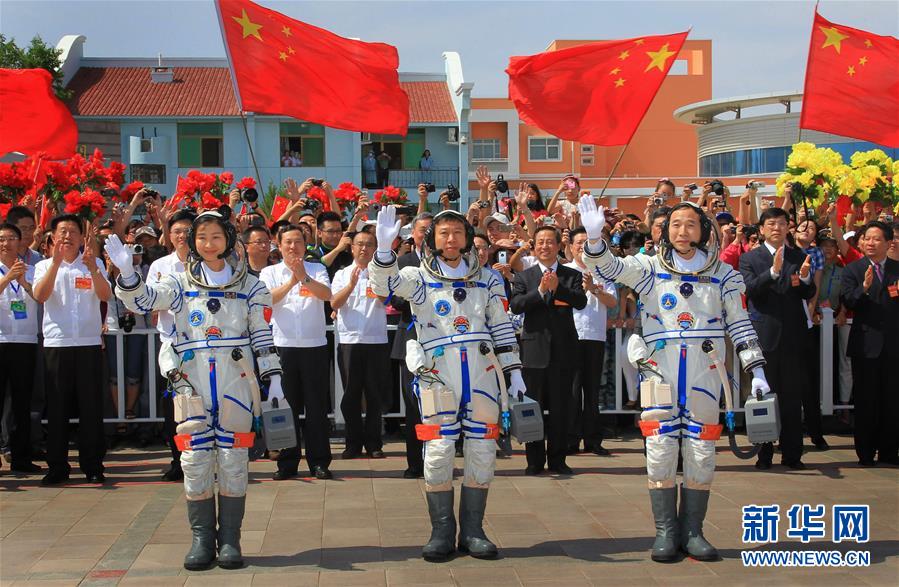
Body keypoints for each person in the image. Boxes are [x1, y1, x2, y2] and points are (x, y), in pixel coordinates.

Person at [577, 196, 769, 562]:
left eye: (691, 224)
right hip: (658, 370)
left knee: (701, 449)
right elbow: (609, 268)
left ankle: (693, 531)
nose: (683, 231)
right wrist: (595, 237)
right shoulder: (648, 268)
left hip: (706, 372)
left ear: (704, 230)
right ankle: (665, 531)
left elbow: (740, 324)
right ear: (665, 230)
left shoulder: (723, 275)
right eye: (676, 224)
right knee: (661, 448)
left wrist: (756, 370)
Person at [106, 206, 281, 570]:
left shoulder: (251, 286)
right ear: (192, 241)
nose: (208, 243)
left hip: (236, 382)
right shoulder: (177, 283)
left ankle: (230, 539)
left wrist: (274, 378)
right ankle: (201, 539)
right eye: (201, 237)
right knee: (195, 460)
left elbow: (262, 334)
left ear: (228, 239)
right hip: (190, 383)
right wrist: (127, 273)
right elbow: (142, 301)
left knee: (233, 461)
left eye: (216, 236)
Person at [370, 206, 525, 561]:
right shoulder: (417, 277)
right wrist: (383, 250)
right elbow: (383, 286)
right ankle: (441, 531)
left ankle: (473, 530)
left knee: (482, 451)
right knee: (439, 451)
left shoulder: (487, 279)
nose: (451, 239)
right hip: (438, 375)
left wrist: (514, 372)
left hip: (482, 373)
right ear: (431, 239)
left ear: (467, 238)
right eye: (443, 233)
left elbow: (501, 326)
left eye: (457, 232)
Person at [33, 215, 112, 486]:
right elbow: (40, 296)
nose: (67, 236)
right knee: (57, 408)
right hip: (57, 345)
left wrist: (93, 269)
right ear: (53, 237)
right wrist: (56, 263)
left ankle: (93, 466)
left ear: (82, 238)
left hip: (88, 344)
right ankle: (57, 467)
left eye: (73, 232)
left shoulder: (93, 263)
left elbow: (105, 295)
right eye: (62, 232)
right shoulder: (43, 266)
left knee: (91, 407)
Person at [739, 207, 814, 471]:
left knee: (792, 398)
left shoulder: (799, 256)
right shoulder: (750, 258)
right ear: (761, 229)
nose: (777, 228)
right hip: (764, 336)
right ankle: (764, 454)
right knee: (762, 396)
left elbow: (808, 292)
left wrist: (805, 278)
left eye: (782, 223)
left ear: (788, 228)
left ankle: (793, 454)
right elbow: (749, 289)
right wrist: (772, 272)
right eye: (771, 224)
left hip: (793, 336)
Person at [510, 225, 587, 476]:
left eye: (550, 242)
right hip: (534, 352)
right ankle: (534, 461)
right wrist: (541, 291)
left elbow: (580, 301)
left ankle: (558, 460)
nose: (545, 246)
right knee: (532, 409)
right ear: (534, 246)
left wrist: (557, 288)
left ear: (558, 246)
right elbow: (516, 305)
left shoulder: (571, 274)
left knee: (560, 409)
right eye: (540, 242)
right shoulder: (524, 276)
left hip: (564, 351)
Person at [259, 224, 334, 480]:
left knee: (316, 407)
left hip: (314, 346)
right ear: (279, 245)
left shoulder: (317, 269)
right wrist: (292, 280)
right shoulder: (269, 272)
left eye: (298, 241)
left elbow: (327, 295)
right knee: (285, 407)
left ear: (306, 244)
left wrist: (304, 277)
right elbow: (267, 299)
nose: (293, 246)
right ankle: (287, 463)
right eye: (288, 242)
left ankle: (319, 462)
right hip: (283, 346)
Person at [840, 221, 898, 466]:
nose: (870, 243)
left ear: (888, 243)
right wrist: (863, 288)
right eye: (866, 239)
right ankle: (865, 453)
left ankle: (889, 452)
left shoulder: (897, 269)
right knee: (866, 400)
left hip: (894, 346)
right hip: (866, 345)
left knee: (892, 400)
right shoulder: (853, 270)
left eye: (876, 239)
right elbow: (848, 301)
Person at [146, 208, 197, 481]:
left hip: (201, 345)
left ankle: (201, 459)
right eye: (177, 231)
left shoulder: (206, 263)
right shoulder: (160, 266)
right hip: (171, 347)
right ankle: (178, 460)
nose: (182, 236)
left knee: (200, 405)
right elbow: (150, 300)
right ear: (169, 234)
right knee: (174, 408)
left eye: (187, 231)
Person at [331, 230, 390, 459]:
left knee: (375, 393)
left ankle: (374, 443)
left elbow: (387, 300)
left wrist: (375, 281)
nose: (364, 248)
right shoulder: (341, 274)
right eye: (360, 244)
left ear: (375, 248)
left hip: (376, 340)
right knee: (351, 394)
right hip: (349, 341)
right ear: (352, 248)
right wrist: (351, 285)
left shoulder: (382, 273)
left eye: (369, 244)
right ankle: (353, 443)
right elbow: (335, 303)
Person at [565, 227, 617, 456]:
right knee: (572, 391)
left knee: (592, 390)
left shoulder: (603, 271)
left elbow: (613, 302)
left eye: (586, 242)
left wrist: (594, 290)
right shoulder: (564, 271)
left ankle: (593, 440)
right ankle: (571, 439)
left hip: (595, 336)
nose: (582, 246)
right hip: (570, 336)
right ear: (571, 247)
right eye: (578, 242)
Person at [390, 212, 433, 479]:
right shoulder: (403, 262)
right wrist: (416, 293)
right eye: (422, 230)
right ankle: (415, 462)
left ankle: (437, 460)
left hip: (440, 341)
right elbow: (394, 301)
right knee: (414, 404)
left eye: (431, 230)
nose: (426, 235)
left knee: (439, 404)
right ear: (413, 234)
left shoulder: (447, 262)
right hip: (411, 340)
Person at [0, 223, 41, 473]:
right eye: (1, 239)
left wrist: (24, 282)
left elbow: (41, 297)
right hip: (0, 340)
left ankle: (21, 457)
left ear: (20, 242)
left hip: (25, 342)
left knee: (22, 402)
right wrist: (7, 279)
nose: (6, 243)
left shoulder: (34, 270)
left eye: (11, 238)